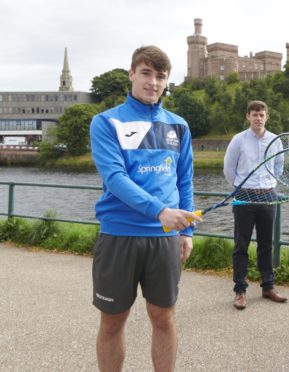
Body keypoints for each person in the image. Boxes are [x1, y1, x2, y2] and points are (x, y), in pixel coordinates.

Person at [89, 45, 202, 372]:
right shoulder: (105, 121)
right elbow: (116, 178)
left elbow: (185, 180)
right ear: (132, 74)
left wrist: (187, 230)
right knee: (112, 322)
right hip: (119, 236)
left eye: (161, 76)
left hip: (165, 238)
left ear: (167, 81)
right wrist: (160, 212)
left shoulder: (178, 125)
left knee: (164, 317)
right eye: (146, 73)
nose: (153, 82)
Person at [223, 100, 287, 310]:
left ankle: (268, 287)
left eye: (262, 115)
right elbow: (229, 169)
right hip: (244, 197)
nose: (258, 118)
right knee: (241, 245)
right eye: (254, 114)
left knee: (266, 244)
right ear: (248, 116)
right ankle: (240, 290)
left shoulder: (275, 140)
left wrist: (268, 185)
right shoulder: (238, 140)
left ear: (266, 117)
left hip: (268, 196)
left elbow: (279, 166)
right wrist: (242, 188)